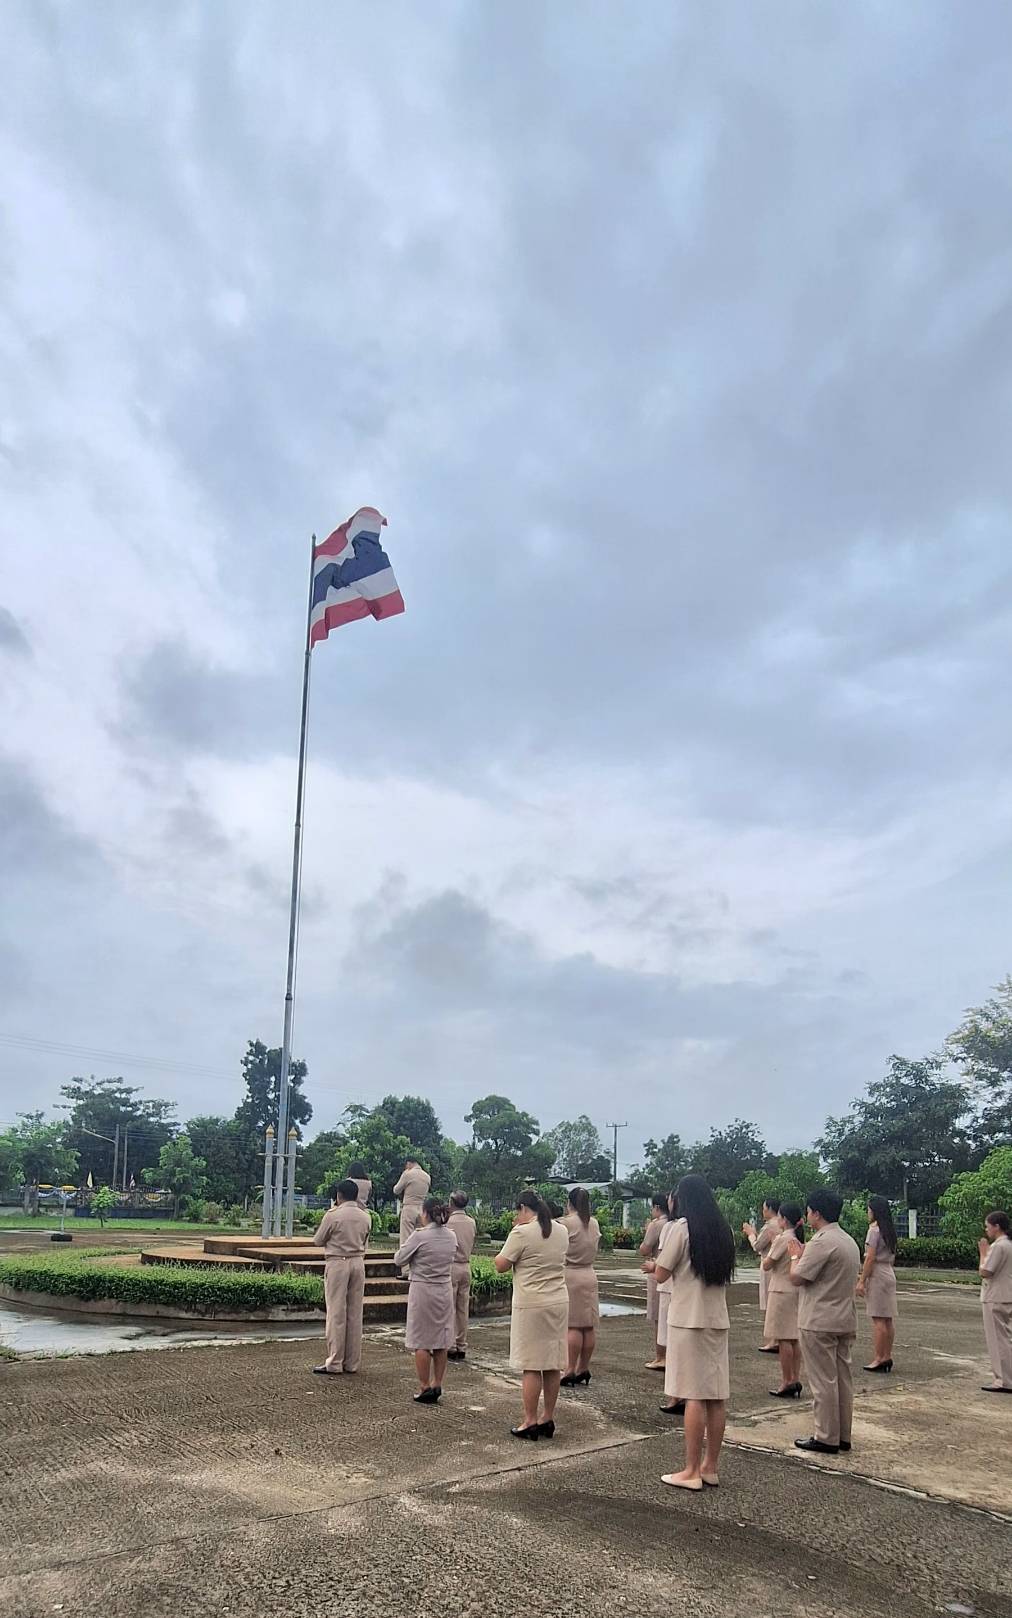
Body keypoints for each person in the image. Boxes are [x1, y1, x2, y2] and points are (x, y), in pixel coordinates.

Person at [653, 1174, 735, 1491]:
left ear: (682, 1198)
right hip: (716, 1319)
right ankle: (710, 1467)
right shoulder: (723, 1230)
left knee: (693, 1395)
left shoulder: (681, 1229)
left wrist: (657, 1265)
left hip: (687, 1319)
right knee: (715, 1396)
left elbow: (662, 1272)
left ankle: (690, 1470)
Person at [788, 1186, 861, 1455]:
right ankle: (842, 1435)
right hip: (843, 1317)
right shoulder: (847, 1241)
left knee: (823, 1381)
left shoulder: (821, 1242)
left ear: (816, 1213)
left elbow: (797, 1276)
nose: (807, 1215)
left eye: (809, 1211)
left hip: (819, 1319)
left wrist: (795, 1255)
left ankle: (826, 1435)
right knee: (842, 1379)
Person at [494, 1190, 569, 1440]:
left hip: (532, 1305)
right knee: (552, 1363)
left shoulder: (521, 1233)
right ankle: (547, 1417)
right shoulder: (561, 1230)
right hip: (558, 1302)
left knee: (531, 1365)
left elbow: (501, 1264)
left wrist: (514, 1231)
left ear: (523, 1209)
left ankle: (530, 1420)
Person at [394, 1195, 459, 1402]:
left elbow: (399, 1259)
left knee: (421, 1340)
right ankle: (437, 1383)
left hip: (423, 1289)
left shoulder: (419, 1236)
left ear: (425, 1213)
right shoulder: (451, 1236)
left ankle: (424, 1386)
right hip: (444, 1288)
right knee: (441, 1340)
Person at [311, 1179, 372, 1376]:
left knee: (336, 1312)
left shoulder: (333, 1215)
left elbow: (318, 1240)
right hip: (358, 1263)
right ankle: (352, 1362)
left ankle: (335, 1361)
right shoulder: (366, 1217)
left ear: (339, 1195)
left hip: (338, 1262)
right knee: (355, 1313)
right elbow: (365, 1240)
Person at [762, 1200, 804, 1398]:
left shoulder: (783, 1238)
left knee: (784, 1338)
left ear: (784, 1219)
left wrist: (771, 1245)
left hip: (780, 1290)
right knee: (794, 1337)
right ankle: (795, 1377)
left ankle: (787, 1380)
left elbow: (767, 1264)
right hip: (794, 1290)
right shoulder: (797, 1238)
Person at [562, 1186, 601, 1386]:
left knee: (574, 1325)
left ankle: (569, 1368)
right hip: (589, 1273)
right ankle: (583, 1367)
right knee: (588, 1325)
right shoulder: (593, 1222)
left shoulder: (566, 1223)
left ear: (569, 1203)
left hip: (571, 1275)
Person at [858, 1195, 898, 1371]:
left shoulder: (874, 1230)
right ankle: (887, 1355)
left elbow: (870, 1258)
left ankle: (879, 1358)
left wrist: (862, 1280)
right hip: (888, 1271)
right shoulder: (888, 1230)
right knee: (887, 1319)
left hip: (878, 1274)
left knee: (878, 1319)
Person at [978, 1209, 1012, 1393]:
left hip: (995, 1296)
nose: (986, 1230)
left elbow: (986, 1271)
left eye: (988, 1226)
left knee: (997, 1340)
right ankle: (1006, 1377)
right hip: (1006, 1294)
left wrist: (983, 1253)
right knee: (1005, 1338)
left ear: (996, 1226)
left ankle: (1003, 1380)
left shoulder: (999, 1246)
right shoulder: (1008, 1244)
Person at [742, 1198, 781, 1352]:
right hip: (779, 1266)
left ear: (770, 1209)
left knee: (769, 1303)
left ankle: (773, 1340)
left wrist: (751, 1234)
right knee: (775, 1303)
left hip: (769, 1265)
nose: (762, 1211)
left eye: (764, 1208)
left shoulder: (770, 1225)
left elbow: (757, 1246)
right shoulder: (781, 1223)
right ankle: (777, 1339)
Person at [446, 1190, 477, 1360]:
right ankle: (461, 1344)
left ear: (451, 1203)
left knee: (449, 1307)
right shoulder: (471, 1222)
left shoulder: (449, 1222)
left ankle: (450, 1344)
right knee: (463, 1308)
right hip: (466, 1265)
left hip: (452, 1266)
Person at [640, 1193, 669, 1369]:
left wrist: (647, 1230)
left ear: (657, 1207)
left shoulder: (657, 1224)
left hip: (656, 1269)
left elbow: (644, 1249)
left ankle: (660, 1356)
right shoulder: (675, 1222)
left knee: (659, 1317)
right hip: (672, 1272)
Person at [393, 1157, 431, 1270]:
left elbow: (396, 1190)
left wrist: (404, 1174)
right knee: (420, 1239)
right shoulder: (427, 1176)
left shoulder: (408, 1174)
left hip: (409, 1207)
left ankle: (405, 1269)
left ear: (409, 1163)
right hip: (422, 1209)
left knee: (406, 1239)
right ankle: (419, 1267)